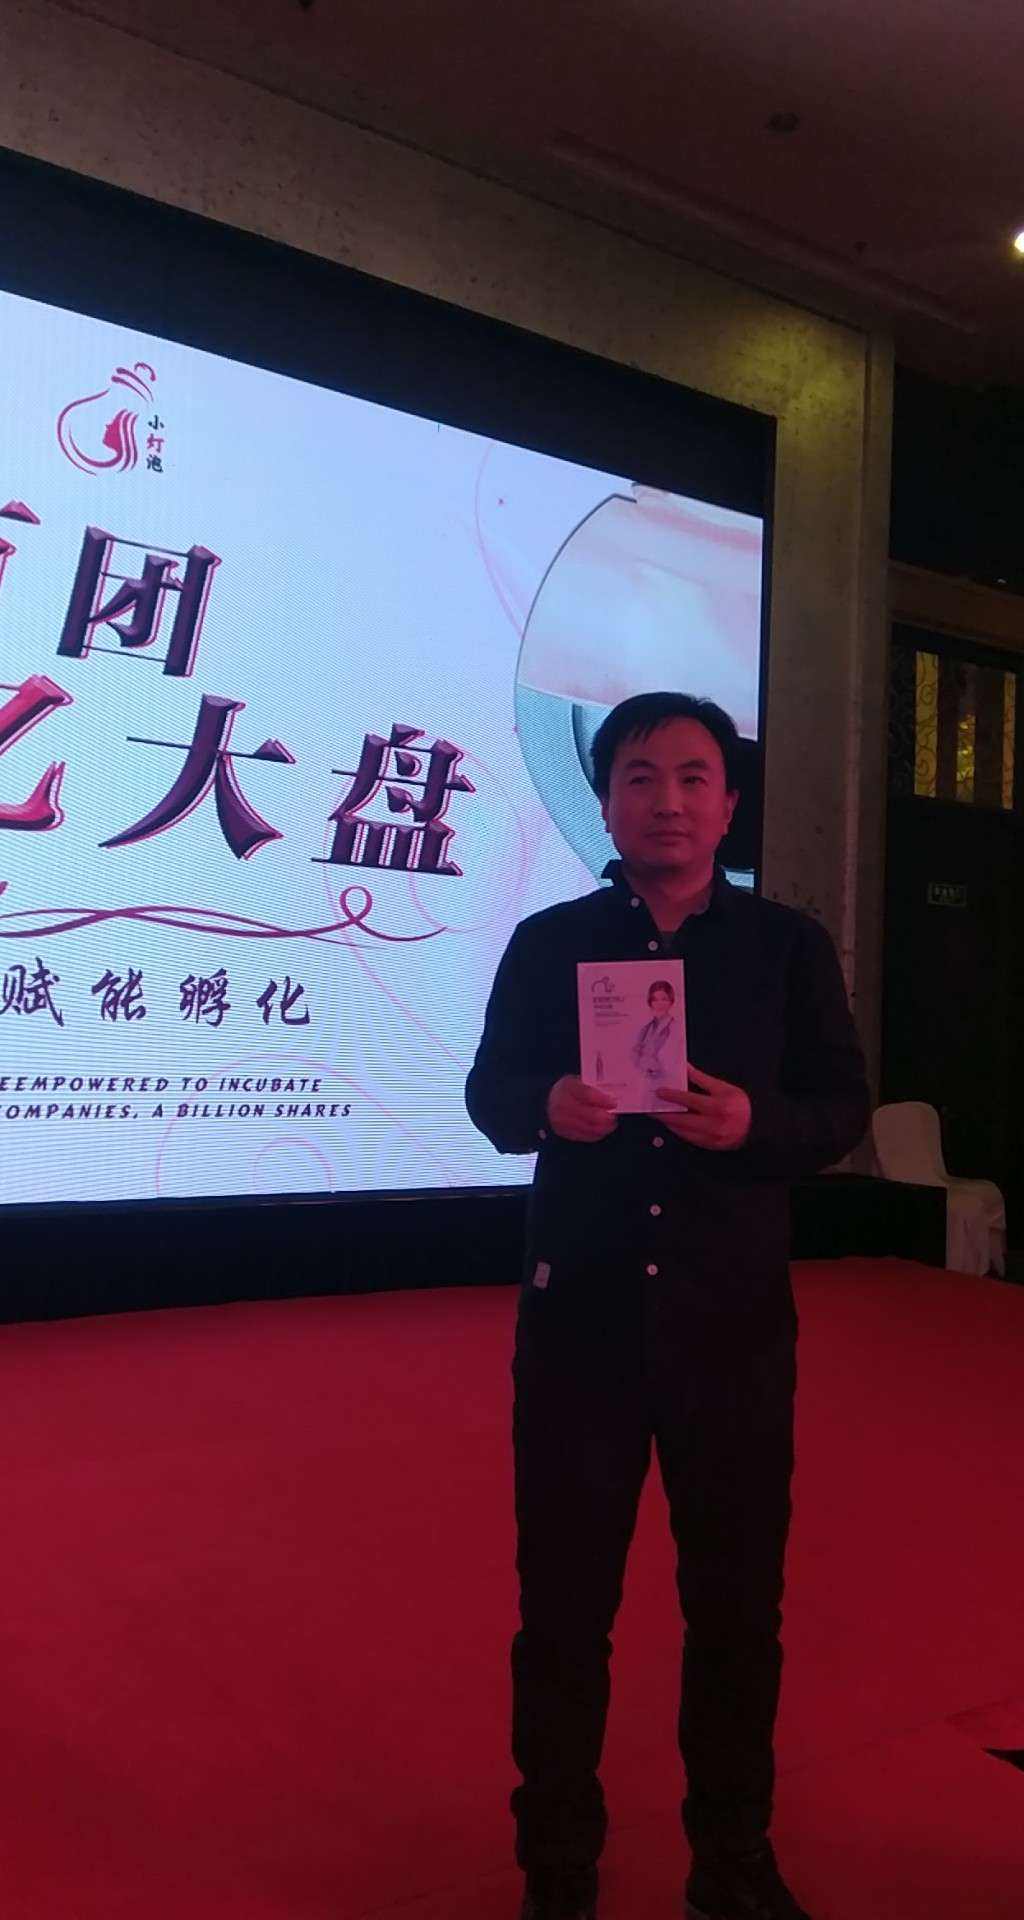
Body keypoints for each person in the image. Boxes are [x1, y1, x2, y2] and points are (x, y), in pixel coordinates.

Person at [465, 691, 870, 1920]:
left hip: (730, 1332)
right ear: (604, 803)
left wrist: (757, 1126)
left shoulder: (787, 950)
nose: (668, 801)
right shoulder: (548, 944)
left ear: (728, 802)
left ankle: (731, 1858)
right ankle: (557, 1865)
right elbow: (489, 1093)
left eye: (694, 777)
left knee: (737, 1611)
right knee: (563, 1612)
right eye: (639, 777)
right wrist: (545, 1105)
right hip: (579, 1330)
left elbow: (839, 1108)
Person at [632, 979, 679, 1111]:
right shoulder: (646, 1029)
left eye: (664, 999)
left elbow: (668, 1058)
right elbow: (635, 1052)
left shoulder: (675, 1027)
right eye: (655, 999)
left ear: (671, 1001)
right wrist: (643, 1066)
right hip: (647, 1080)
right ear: (650, 1002)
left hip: (667, 1082)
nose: (659, 1004)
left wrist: (655, 1065)